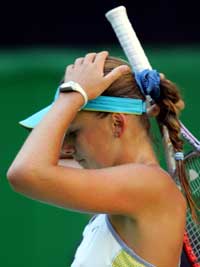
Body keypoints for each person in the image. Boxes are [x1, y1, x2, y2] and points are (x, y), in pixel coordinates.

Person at [7, 51, 191, 267]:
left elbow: (25, 172)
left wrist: (73, 95)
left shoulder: (149, 184)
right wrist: (75, 95)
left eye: (74, 133)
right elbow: (39, 161)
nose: (67, 148)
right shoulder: (129, 190)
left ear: (116, 124)